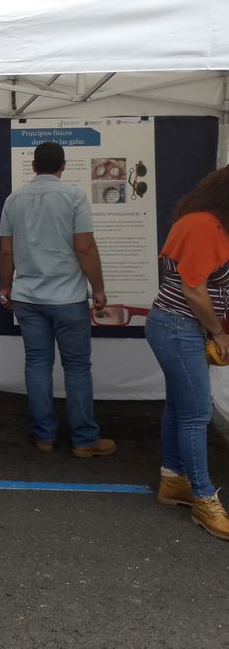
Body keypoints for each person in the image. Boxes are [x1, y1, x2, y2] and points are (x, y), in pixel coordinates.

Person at [0, 141, 116, 457]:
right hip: (68, 299)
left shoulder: (14, 200)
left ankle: (44, 437)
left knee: (37, 364)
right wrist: (99, 289)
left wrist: (5, 288)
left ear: (34, 166)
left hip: (28, 297)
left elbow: (7, 251)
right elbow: (85, 248)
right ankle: (84, 440)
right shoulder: (74, 197)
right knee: (77, 367)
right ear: (62, 167)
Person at [146, 167, 229, 540]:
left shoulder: (199, 221)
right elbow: (194, 289)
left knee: (180, 407)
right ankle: (203, 499)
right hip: (181, 327)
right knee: (197, 414)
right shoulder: (204, 226)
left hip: (175, 326)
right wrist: (217, 332)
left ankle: (173, 480)